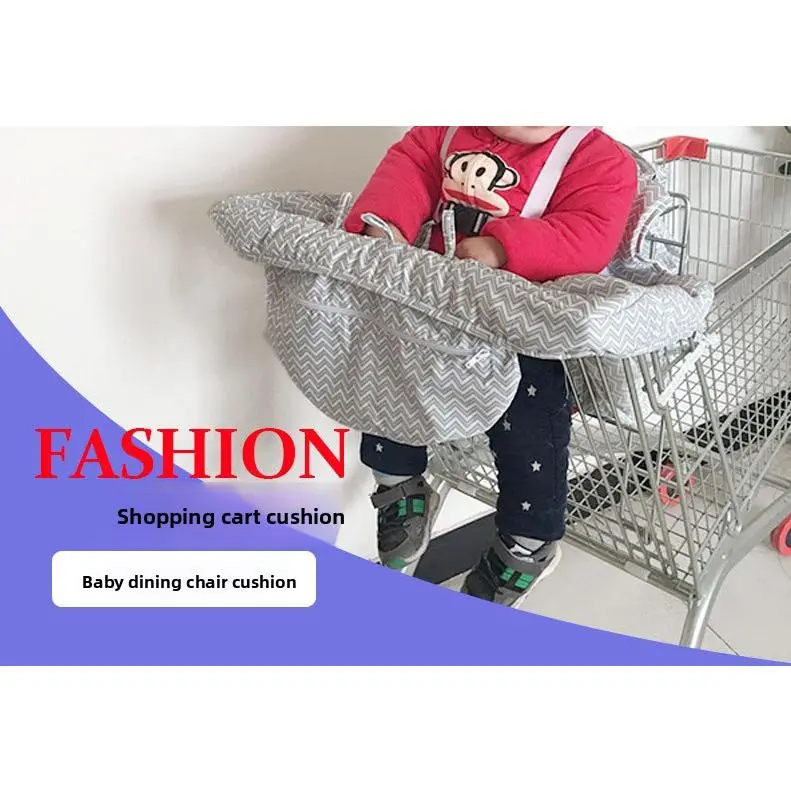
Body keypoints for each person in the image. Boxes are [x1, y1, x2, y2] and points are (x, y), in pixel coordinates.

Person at [343, 126, 637, 606]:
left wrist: (503, 247)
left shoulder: (597, 158)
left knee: (532, 425)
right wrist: (386, 226)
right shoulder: (446, 132)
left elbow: (590, 233)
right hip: (439, 308)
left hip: (522, 326)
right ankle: (398, 485)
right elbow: (409, 170)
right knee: (387, 368)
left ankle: (529, 538)